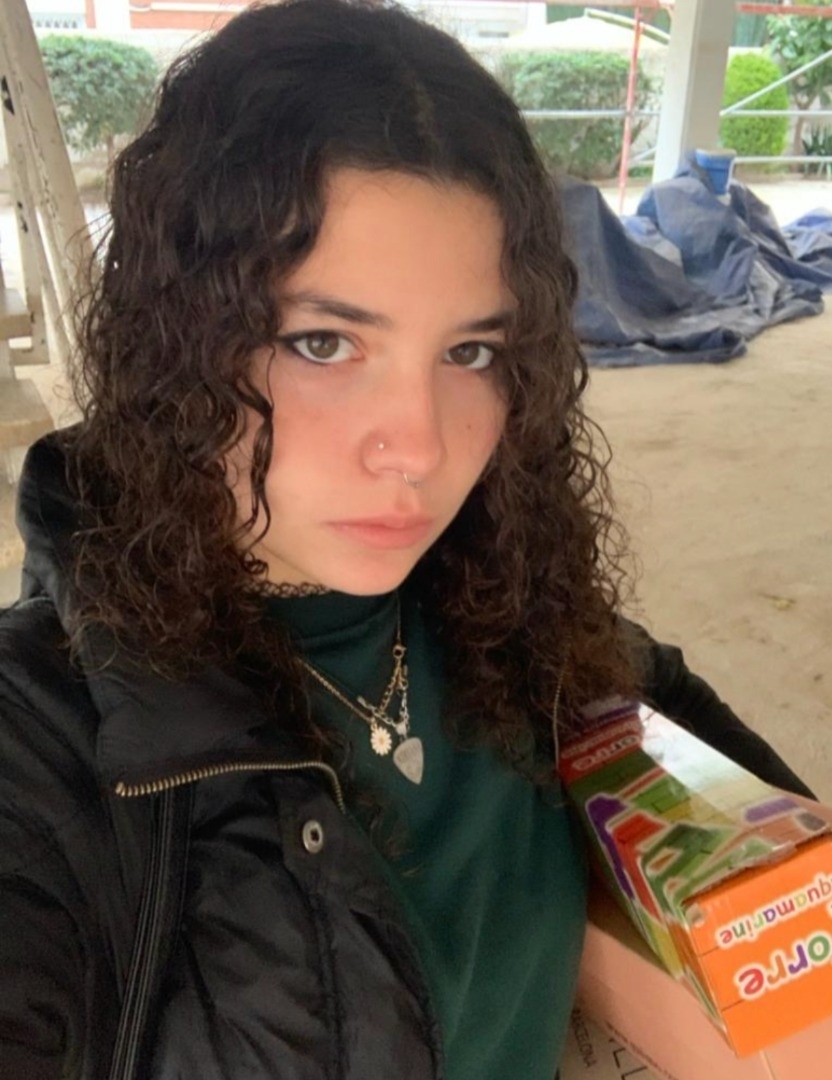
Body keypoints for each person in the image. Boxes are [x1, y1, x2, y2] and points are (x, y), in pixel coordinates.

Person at [0, 2, 812, 1078]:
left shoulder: (511, 614)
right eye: (323, 342)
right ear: (176, 341)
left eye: (470, 353)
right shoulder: (41, 755)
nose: (420, 447)